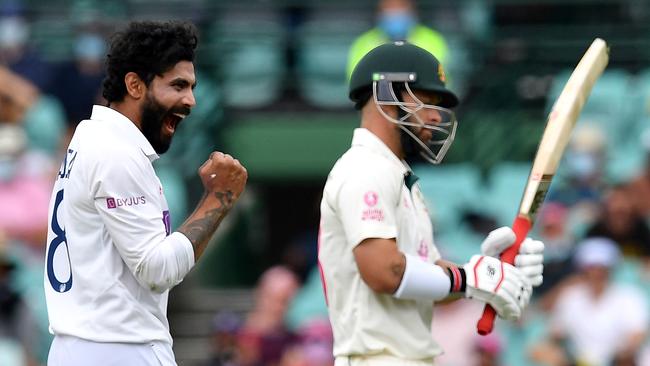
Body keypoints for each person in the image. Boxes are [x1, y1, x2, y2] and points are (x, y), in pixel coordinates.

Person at [318, 41, 545, 365]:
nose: (437, 116)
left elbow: (427, 279)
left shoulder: (397, 176)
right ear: (387, 93)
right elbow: (383, 272)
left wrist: (488, 273)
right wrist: (467, 278)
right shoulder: (365, 168)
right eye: (427, 101)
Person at [43, 21, 248, 366]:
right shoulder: (116, 153)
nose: (191, 101)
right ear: (135, 85)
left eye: (192, 87)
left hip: (84, 346)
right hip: (117, 349)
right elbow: (156, 269)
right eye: (178, 86)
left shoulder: (91, 138)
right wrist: (219, 199)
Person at [529, 237, 648, 366]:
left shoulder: (629, 296)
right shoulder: (570, 297)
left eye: (601, 269)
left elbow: (637, 336)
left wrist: (620, 355)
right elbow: (555, 334)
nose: (596, 274)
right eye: (591, 268)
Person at [346, 0, 449, 80]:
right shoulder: (363, 43)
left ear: (413, 9)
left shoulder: (433, 40)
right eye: (389, 6)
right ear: (379, 11)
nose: (395, 12)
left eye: (401, 6)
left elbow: (439, 79)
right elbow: (356, 81)